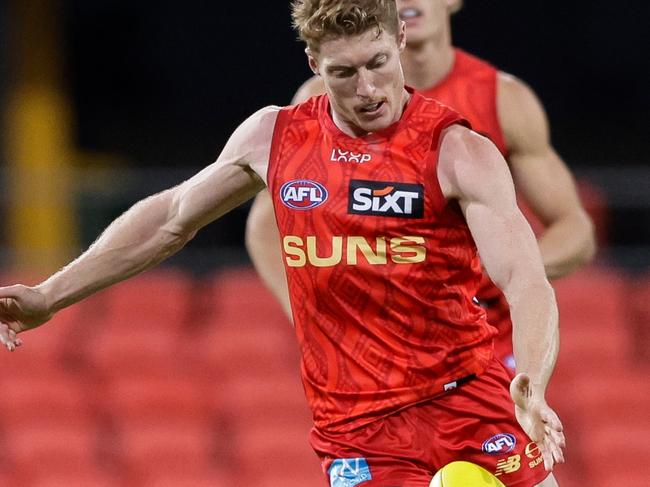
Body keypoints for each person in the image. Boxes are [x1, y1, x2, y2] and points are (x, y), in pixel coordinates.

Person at [0, 1, 565, 485]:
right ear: (314, 64)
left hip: (471, 398)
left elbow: (524, 279)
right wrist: (50, 296)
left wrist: (534, 383)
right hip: (357, 427)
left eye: (378, 63)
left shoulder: (458, 151)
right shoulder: (274, 137)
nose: (368, 89)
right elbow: (170, 220)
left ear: (399, 40)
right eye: (344, 73)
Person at [245, 0, 596, 373]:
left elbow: (574, 229)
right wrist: (310, 322)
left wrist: (509, 270)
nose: (409, 2)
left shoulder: (502, 101)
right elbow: (266, 226)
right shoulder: (321, 99)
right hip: (375, 351)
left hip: (486, 348)